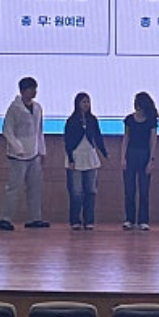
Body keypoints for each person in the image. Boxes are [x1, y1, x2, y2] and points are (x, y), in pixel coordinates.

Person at [0, 76, 48, 231]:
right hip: (17, 156)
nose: (34, 92)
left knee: (35, 187)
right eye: (31, 89)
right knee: (14, 187)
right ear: (23, 91)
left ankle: (35, 218)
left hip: (34, 153)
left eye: (35, 89)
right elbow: (7, 130)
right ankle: (4, 218)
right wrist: (17, 147)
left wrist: (42, 150)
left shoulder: (38, 108)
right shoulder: (14, 108)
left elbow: (39, 131)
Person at [65, 91, 108, 230]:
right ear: (77, 104)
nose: (86, 104)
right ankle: (75, 220)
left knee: (91, 190)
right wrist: (70, 158)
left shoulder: (93, 120)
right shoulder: (71, 121)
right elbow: (67, 141)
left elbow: (98, 137)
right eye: (83, 102)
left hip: (90, 156)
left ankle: (89, 220)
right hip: (76, 156)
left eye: (88, 102)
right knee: (76, 192)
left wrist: (105, 153)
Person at [122, 91, 159, 230]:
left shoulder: (151, 121)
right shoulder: (129, 119)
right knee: (129, 189)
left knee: (144, 190)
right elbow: (126, 139)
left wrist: (151, 160)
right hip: (131, 154)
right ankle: (129, 219)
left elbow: (153, 141)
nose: (138, 107)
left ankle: (143, 220)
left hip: (144, 155)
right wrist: (123, 157)